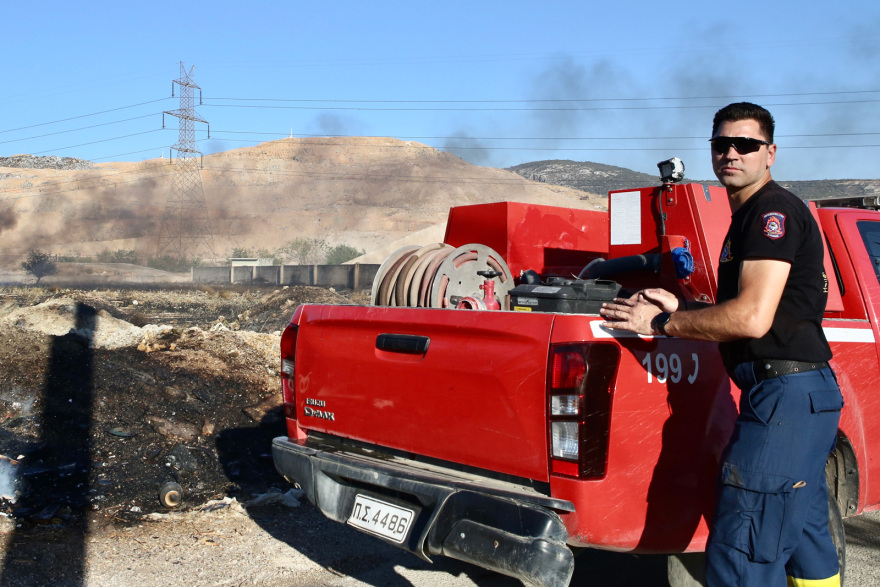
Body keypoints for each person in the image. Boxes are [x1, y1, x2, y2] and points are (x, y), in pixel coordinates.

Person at [600, 102, 843, 586]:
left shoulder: (770, 212)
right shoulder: (750, 215)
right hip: (797, 400)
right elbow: (761, 310)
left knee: (743, 554)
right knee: (808, 543)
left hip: (784, 402)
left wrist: (665, 323)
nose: (731, 153)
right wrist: (686, 307)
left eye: (746, 145)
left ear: (769, 153)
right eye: (721, 144)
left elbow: (752, 318)